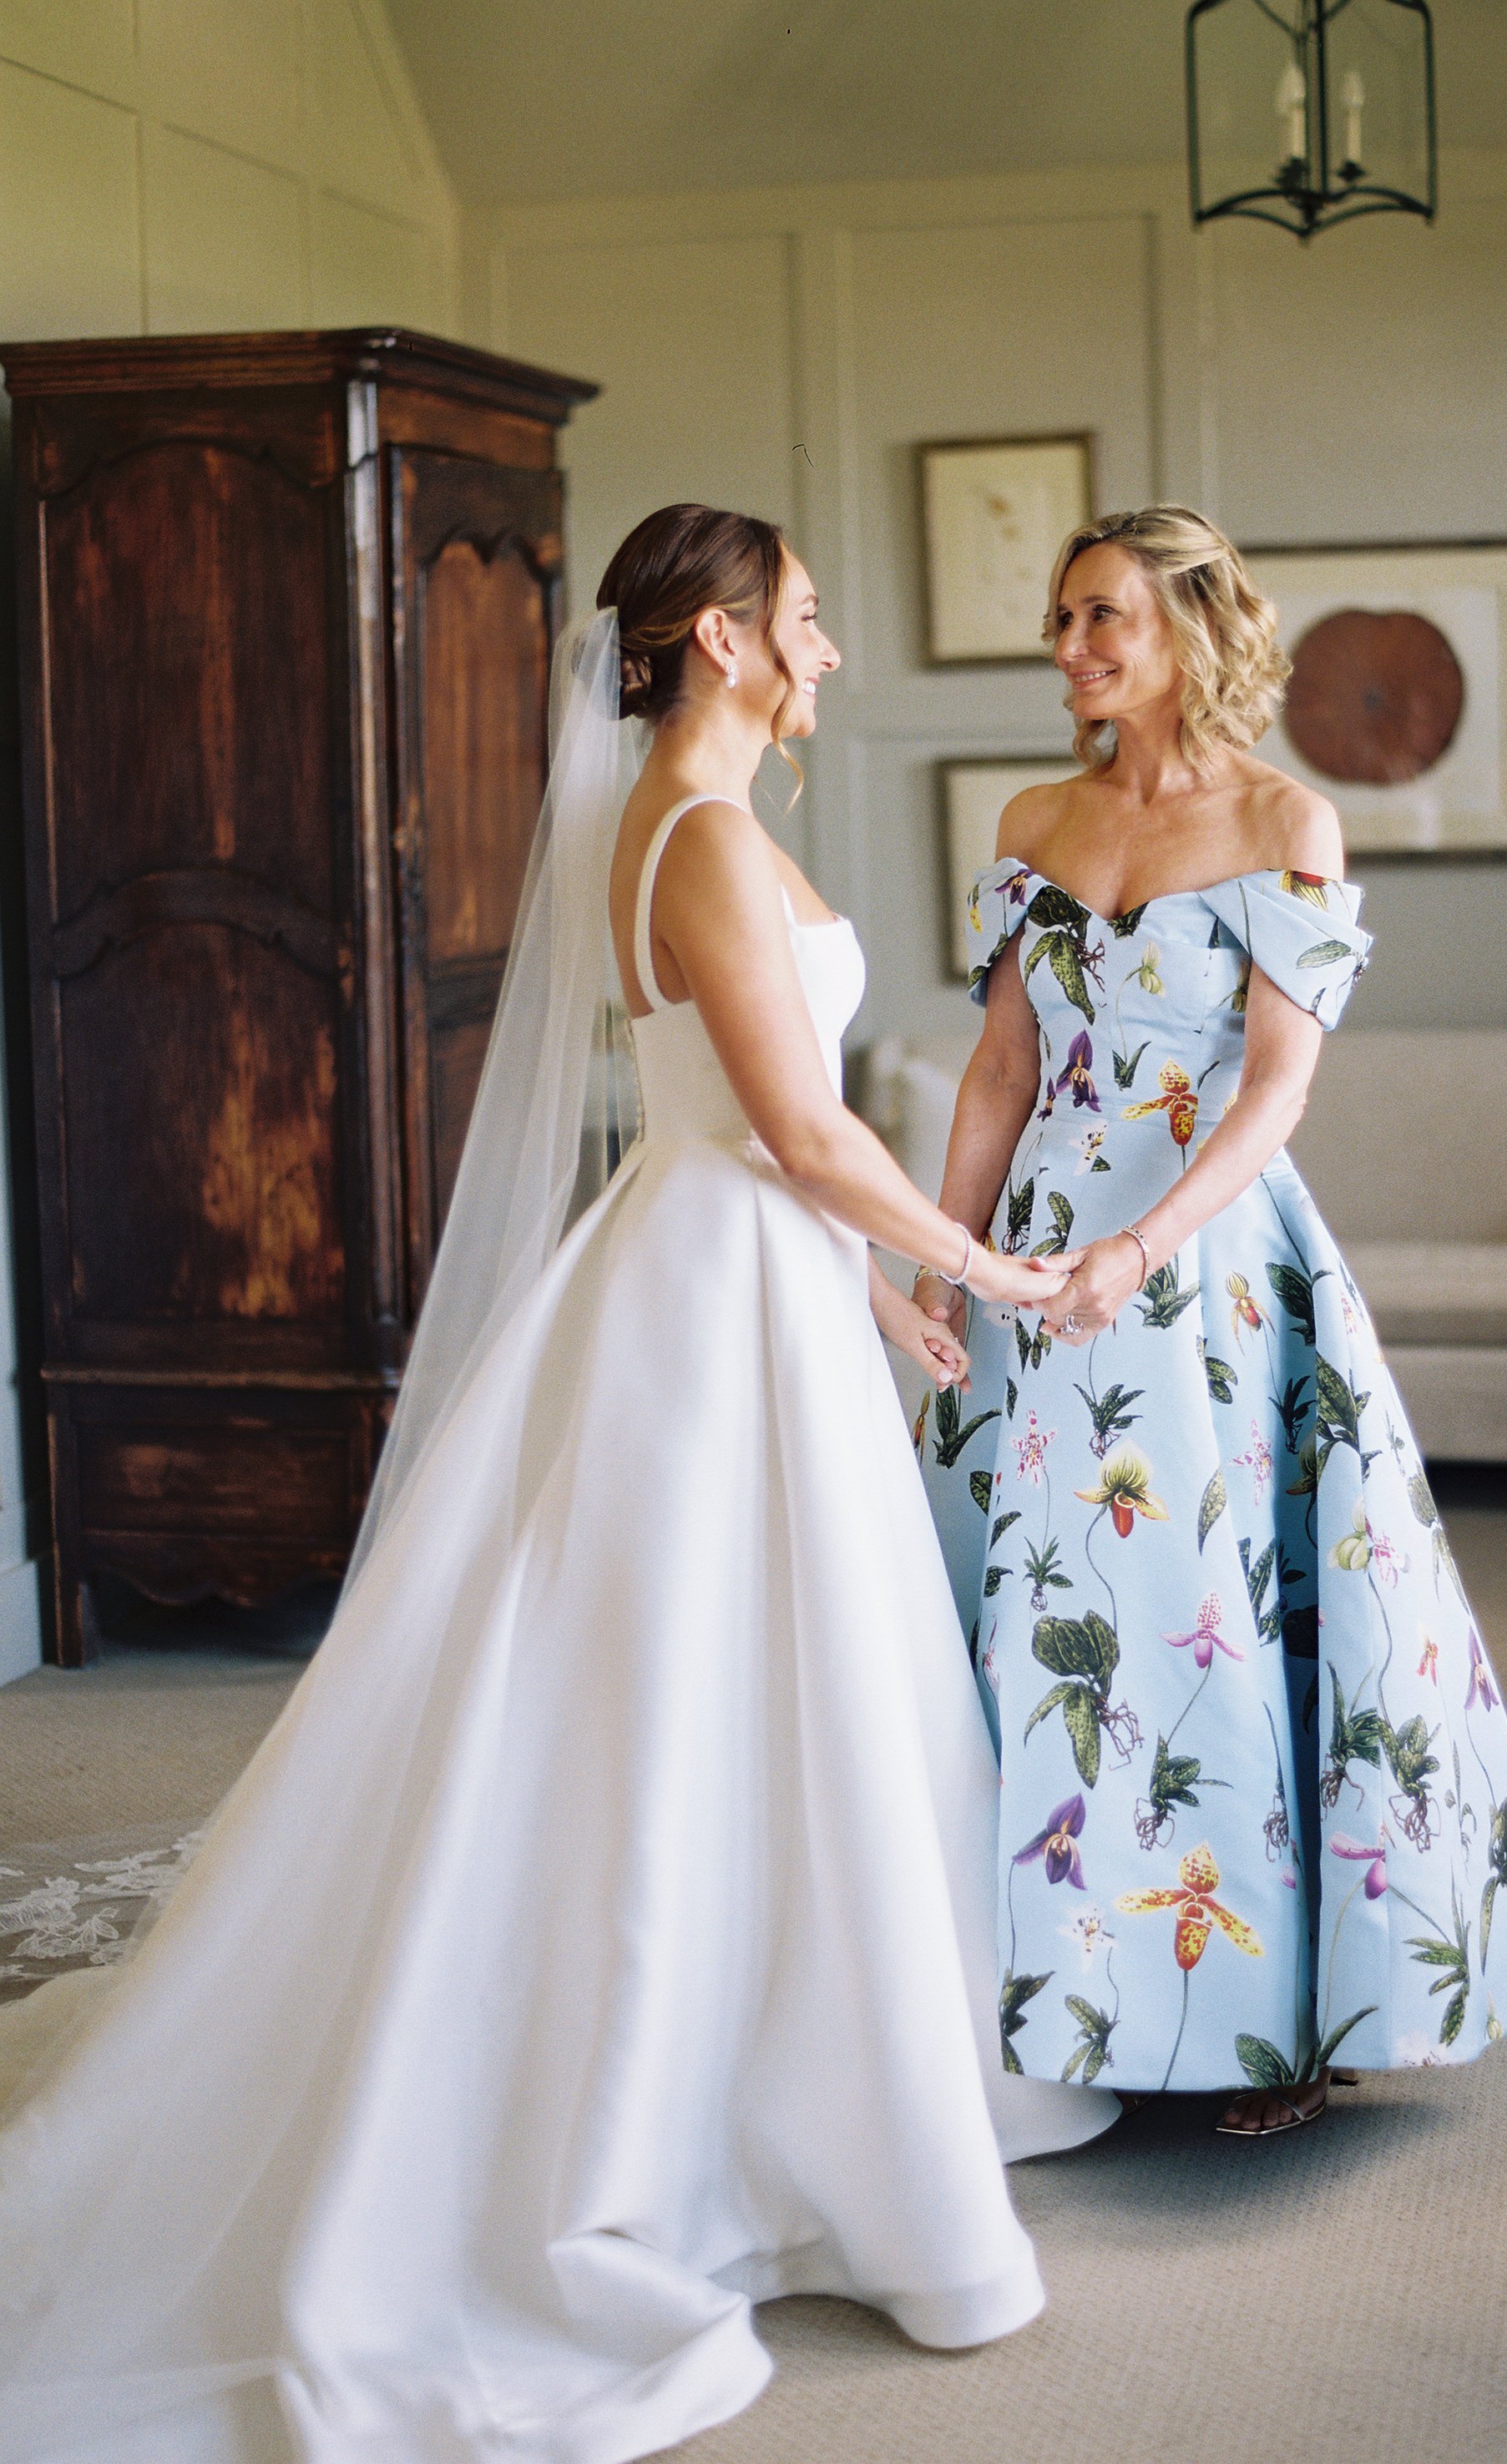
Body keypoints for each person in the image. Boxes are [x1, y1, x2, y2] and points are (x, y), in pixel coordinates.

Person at [0, 503, 1114, 2464]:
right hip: (709, 1291)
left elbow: (756, 1130)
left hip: (745, 1267)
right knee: (696, 1689)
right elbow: (794, 1125)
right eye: (806, 618)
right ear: (718, 637)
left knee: (771, 1683)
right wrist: (984, 1265)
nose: (826, 650)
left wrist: (867, 1285)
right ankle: (696, 2104)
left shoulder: (696, 819)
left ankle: (801, 2062)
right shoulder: (697, 836)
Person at [914, 505, 1507, 2133]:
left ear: (1191, 626)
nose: (1070, 645)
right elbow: (1003, 1070)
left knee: (1213, 1618)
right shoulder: (1032, 818)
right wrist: (947, 1263)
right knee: (1039, 1621)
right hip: (1032, 1269)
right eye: (1061, 618)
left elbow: (1275, 1092)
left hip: (1204, 1266)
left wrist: (1142, 1247)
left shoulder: (1289, 819)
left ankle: (1270, 2020)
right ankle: (1052, 2000)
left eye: (1102, 615)